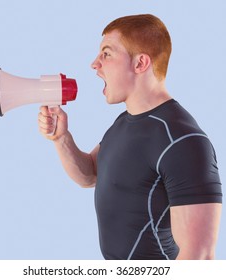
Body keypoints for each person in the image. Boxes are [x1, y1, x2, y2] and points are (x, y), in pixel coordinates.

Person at [38, 14, 222, 260]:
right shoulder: (123, 123)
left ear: (140, 63)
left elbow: (199, 256)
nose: (94, 64)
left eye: (107, 53)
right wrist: (61, 138)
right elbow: (90, 175)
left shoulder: (183, 141)